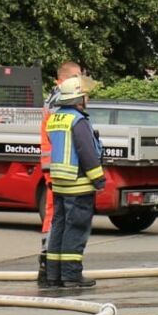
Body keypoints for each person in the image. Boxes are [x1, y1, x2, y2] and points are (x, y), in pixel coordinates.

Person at [41, 75, 103, 291]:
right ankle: (71, 275)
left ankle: (53, 275)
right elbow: (86, 151)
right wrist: (98, 178)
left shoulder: (56, 119)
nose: (87, 98)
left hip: (59, 183)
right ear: (79, 98)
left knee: (59, 227)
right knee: (76, 229)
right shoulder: (78, 120)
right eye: (85, 95)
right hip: (78, 184)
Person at [36, 62, 84, 284]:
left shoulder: (53, 99)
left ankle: (49, 265)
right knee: (60, 218)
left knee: (55, 216)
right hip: (60, 168)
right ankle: (54, 267)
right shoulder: (59, 99)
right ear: (61, 79)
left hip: (55, 166)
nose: (79, 81)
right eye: (75, 76)